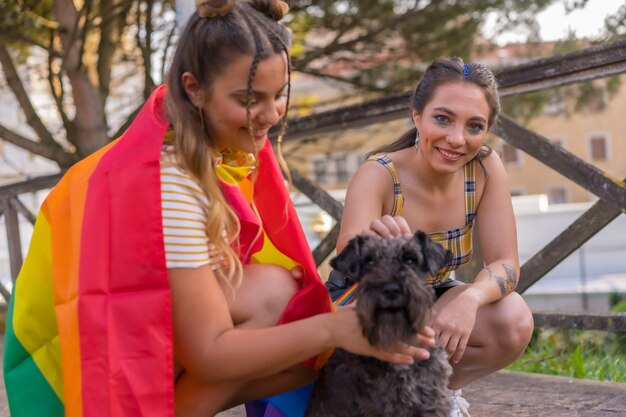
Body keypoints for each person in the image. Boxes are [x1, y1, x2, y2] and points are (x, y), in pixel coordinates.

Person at [3, 1, 435, 417]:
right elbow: (209, 354)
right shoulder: (170, 178)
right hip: (74, 358)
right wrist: (333, 329)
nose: (270, 114)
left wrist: (321, 334)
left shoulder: (193, 127)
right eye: (249, 100)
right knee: (287, 316)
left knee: (290, 315)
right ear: (194, 88)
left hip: (118, 327)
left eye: (279, 94)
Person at [330, 57, 535, 417]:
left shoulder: (485, 168)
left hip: (429, 301)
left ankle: (435, 392)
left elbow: (507, 265)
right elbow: (349, 252)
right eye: (442, 118)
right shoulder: (378, 174)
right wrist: (377, 239)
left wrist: (469, 299)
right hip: (365, 305)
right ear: (416, 115)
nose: (457, 139)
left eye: (474, 126)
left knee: (514, 318)